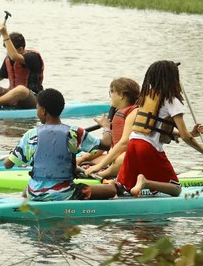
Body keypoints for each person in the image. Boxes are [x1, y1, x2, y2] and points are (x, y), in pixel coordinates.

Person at [86, 61, 203, 197]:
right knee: (176, 189)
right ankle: (145, 182)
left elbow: (160, 128)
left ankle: (85, 192)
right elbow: (185, 137)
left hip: (133, 145)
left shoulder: (147, 97)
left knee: (121, 187)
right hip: (148, 148)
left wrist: (192, 133)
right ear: (173, 78)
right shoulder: (172, 100)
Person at [4, 88, 115, 201]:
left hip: (34, 193)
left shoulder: (30, 135)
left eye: (37, 107)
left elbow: (7, 165)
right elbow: (106, 144)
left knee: (26, 191)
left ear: (43, 111)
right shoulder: (75, 133)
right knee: (111, 190)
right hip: (64, 193)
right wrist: (106, 126)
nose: (37, 111)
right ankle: (112, 185)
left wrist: (12, 153)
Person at [76, 77, 140, 176]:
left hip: (124, 158)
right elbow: (107, 145)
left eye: (111, 92)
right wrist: (83, 158)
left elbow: (124, 144)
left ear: (121, 95)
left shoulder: (133, 113)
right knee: (81, 161)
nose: (110, 96)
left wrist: (99, 166)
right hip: (114, 156)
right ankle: (98, 169)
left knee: (118, 159)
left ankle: (103, 174)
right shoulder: (118, 112)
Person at [0, 26, 44, 109]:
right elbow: (0, 75)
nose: (8, 53)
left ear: (21, 49)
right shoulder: (9, 58)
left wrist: (4, 34)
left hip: (31, 97)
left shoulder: (32, 57)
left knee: (21, 89)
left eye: (9, 50)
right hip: (11, 95)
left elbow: (15, 56)